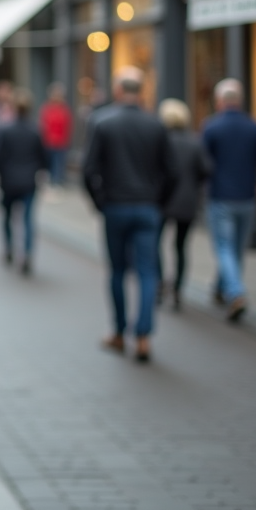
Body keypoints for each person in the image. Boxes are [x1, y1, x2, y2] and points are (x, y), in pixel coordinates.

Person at [82, 67, 175, 362]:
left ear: (119, 90)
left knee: (118, 271)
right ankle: (144, 336)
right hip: (147, 207)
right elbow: (171, 172)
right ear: (141, 92)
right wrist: (158, 202)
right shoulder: (156, 125)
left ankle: (120, 333)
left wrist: (100, 201)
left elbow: (88, 170)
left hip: (116, 206)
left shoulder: (102, 122)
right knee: (148, 272)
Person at [201, 79, 256, 322]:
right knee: (235, 249)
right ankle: (222, 289)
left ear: (220, 101)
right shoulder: (253, 127)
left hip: (221, 196)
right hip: (247, 196)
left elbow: (202, 162)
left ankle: (235, 292)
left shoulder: (211, 127)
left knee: (224, 247)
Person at [156, 99, 211, 311]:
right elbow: (206, 170)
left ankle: (160, 283)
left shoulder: (161, 141)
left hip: (162, 200)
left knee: (155, 244)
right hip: (186, 202)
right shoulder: (194, 142)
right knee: (180, 247)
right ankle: (178, 289)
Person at [0, 88, 48, 274]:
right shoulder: (36, 130)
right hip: (29, 181)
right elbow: (44, 158)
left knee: (7, 216)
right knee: (28, 219)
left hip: (8, 181)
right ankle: (27, 253)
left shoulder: (5, 130)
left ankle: (9, 248)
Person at [38, 82, 73, 187]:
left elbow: (68, 126)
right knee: (50, 162)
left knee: (59, 162)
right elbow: (43, 124)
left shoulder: (64, 109)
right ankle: (52, 180)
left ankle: (58, 180)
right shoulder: (47, 108)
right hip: (49, 141)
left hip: (60, 141)